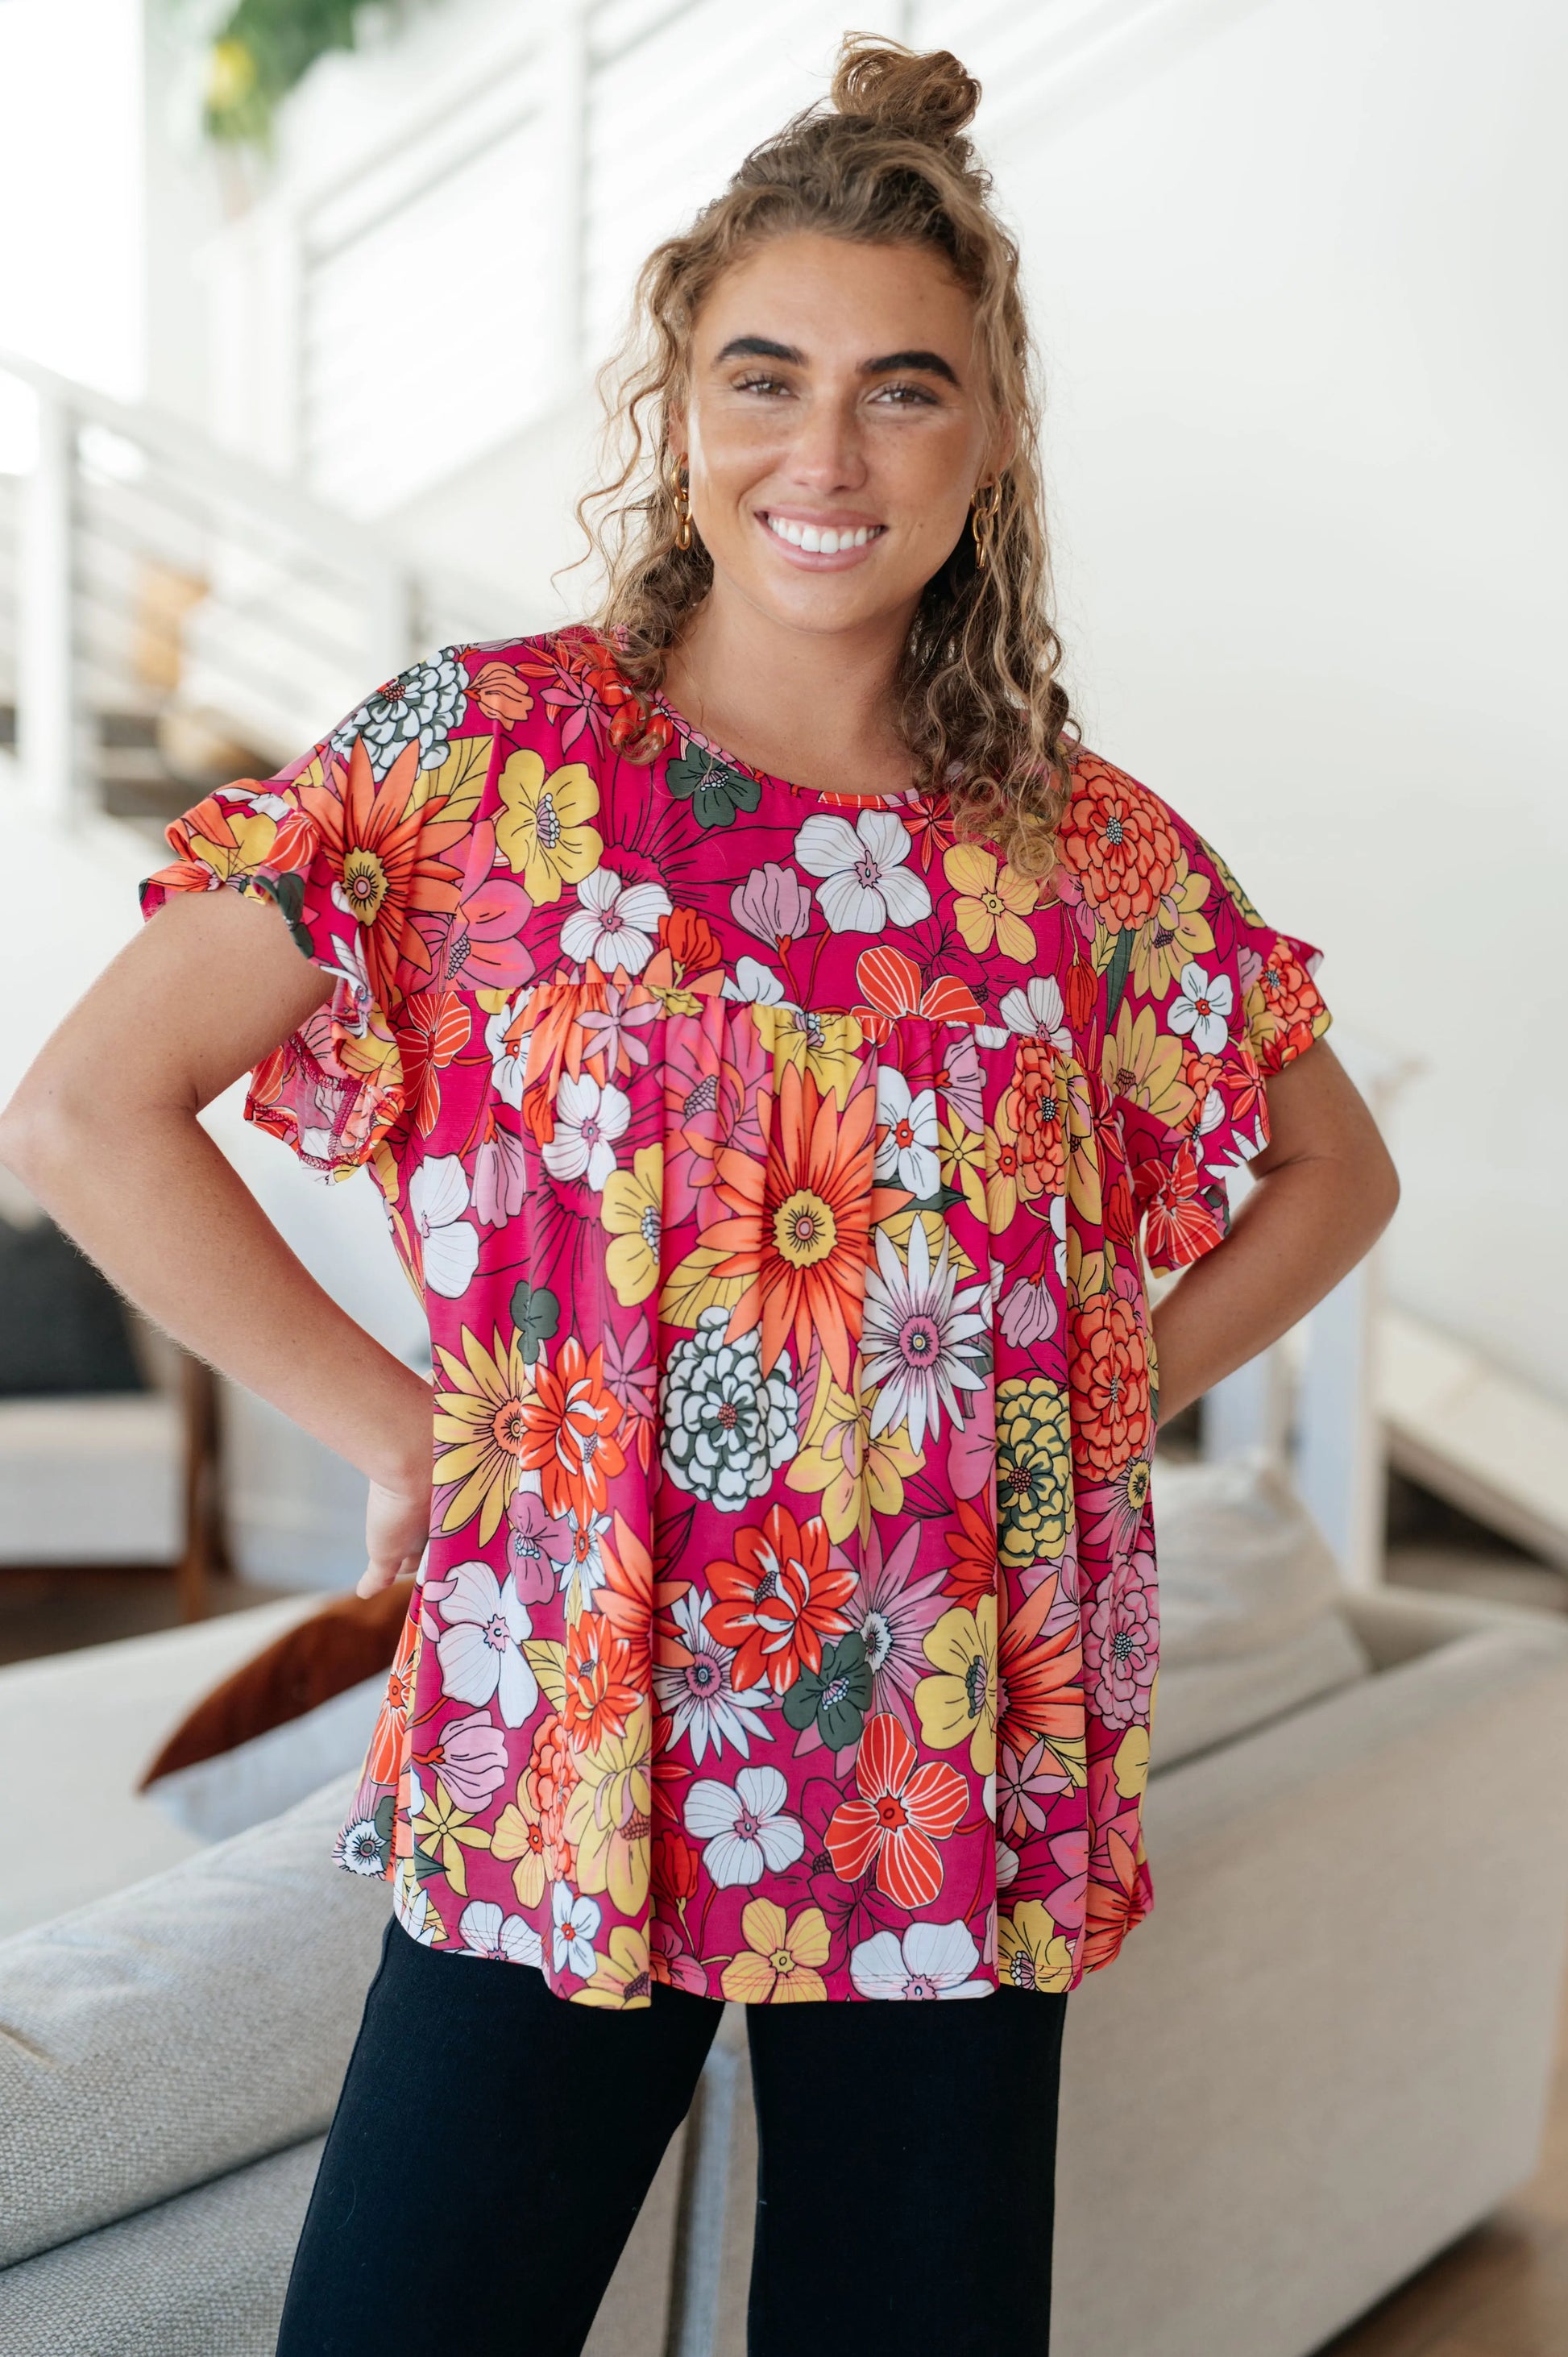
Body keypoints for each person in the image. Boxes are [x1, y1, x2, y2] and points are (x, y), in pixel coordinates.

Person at [0, 37, 1399, 2357]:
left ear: (993, 440)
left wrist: (1074, 1398)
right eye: (765, 376)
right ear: (676, 399)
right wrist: (411, 1438)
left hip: (946, 1724)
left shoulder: (1081, 851)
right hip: (569, 1710)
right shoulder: (477, 762)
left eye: (902, 391)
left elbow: (1330, 1170)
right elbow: (82, 1115)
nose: (823, 455)